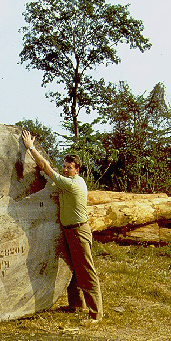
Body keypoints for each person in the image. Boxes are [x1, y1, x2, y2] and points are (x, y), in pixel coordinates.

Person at [21, 129, 103, 325]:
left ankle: (96, 314)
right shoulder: (68, 182)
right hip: (69, 231)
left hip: (79, 231)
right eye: (64, 166)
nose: (65, 169)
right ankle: (75, 305)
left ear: (77, 170)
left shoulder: (73, 184)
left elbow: (47, 169)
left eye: (69, 168)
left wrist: (30, 147)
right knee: (73, 268)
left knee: (86, 270)